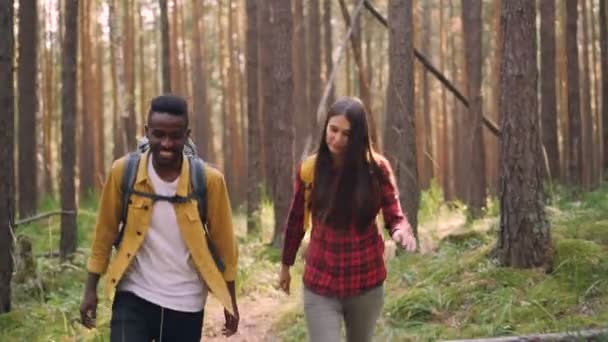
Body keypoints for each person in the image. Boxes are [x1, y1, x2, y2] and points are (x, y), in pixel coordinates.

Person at [79, 95, 239, 341]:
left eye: (175, 136)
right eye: (158, 134)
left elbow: (226, 247)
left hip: (186, 302)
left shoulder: (209, 181)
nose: (166, 143)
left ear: (187, 135)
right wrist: (90, 289)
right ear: (146, 132)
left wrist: (230, 300)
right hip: (133, 294)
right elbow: (104, 233)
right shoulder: (124, 173)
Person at [279, 96, 416, 342]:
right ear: (325, 128)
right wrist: (285, 265)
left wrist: (400, 229)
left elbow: (393, 211)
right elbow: (296, 220)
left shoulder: (376, 169)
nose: (338, 139)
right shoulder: (310, 170)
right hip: (321, 283)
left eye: (347, 134)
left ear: (359, 136)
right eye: (333, 130)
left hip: (366, 283)